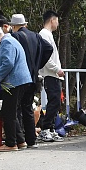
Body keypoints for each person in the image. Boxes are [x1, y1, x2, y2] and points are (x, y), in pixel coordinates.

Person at [0, 24, 32, 151]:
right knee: (12, 111)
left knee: (8, 112)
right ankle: (20, 140)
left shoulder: (6, 42)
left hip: (14, 81)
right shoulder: (12, 40)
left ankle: (11, 143)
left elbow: (8, 63)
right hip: (20, 80)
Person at [6, 13, 42, 148]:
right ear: (25, 24)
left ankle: (20, 139)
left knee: (16, 108)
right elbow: (48, 48)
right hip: (33, 75)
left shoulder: (15, 36)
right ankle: (31, 139)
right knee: (27, 107)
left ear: (13, 26)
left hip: (21, 76)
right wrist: (38, 64)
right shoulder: (36, 36)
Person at [37, 10, 65, 142]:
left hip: (54, 74)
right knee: (53, 102)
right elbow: (46, 57)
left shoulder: (48, 35)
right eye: (57, 21)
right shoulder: (43, 34)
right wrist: (56, 69)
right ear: (52, 20)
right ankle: (45, 129)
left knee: (56, 102)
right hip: (50, 74)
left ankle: (51, 129)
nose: (58, 24)